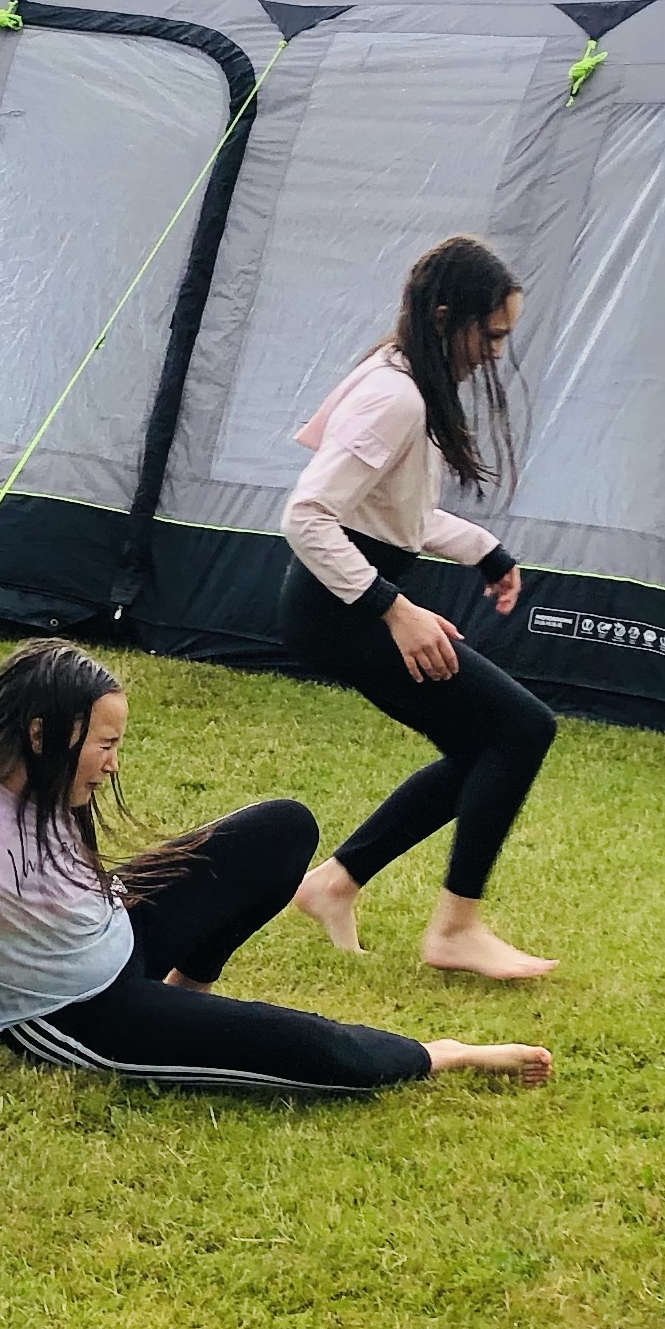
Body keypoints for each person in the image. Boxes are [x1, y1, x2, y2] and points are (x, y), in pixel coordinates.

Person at [0, 639, 552, 1106]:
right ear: (42, 736)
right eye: (104, 745)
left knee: (284, 828)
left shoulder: (45, 782)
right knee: (309, 1046)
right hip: (79, 1012)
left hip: (122, 931)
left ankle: (187, 995)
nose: (113, 764)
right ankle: (441, 1056)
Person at [276, 235, 561, 982]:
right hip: (338, 609)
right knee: (522, 728)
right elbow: (307, 515)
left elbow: (395, 513)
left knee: (483, 747)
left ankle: (333, 885)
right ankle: (455, 930)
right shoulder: (394, 396)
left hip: (344, 604)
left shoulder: (403, 378)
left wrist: (483, 550)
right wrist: (393, 609)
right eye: (490, 334)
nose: (496, 354)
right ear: (444, 317)